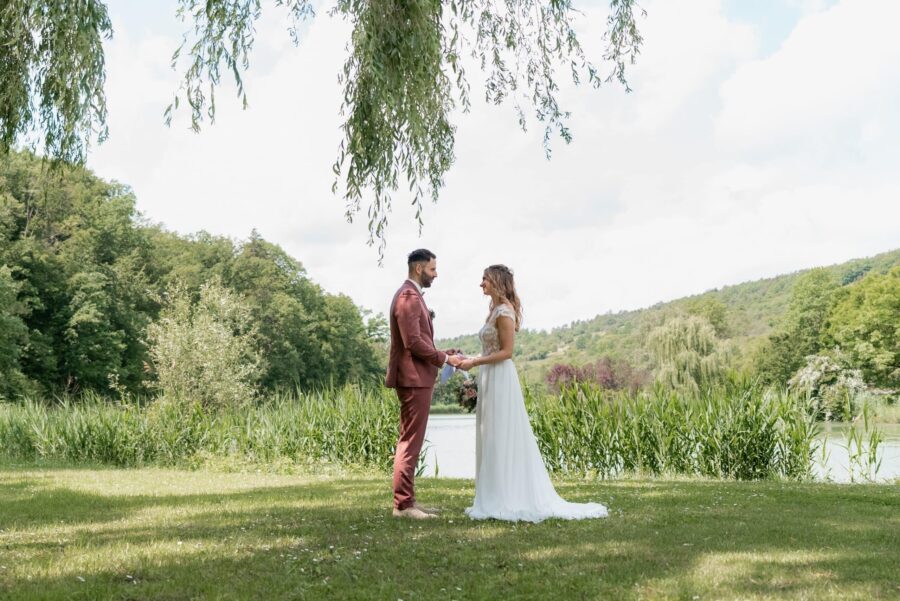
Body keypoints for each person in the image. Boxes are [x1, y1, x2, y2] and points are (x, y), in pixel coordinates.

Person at [458, 265, 609, 522]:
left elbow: (507, 352)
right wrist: (469, 360)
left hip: (500, 376)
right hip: (489, 375)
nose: (480, 283)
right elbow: (489, 349)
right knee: (490, 434)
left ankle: (506, 497)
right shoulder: (492, 310)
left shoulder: (504, 312)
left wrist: (474, 362)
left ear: (496, 281)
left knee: (500, 434)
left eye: (484, 279)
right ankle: (492, 494)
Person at [385, 249, 463, 519]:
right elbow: (413, 343)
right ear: (419, 269)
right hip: (413, 379)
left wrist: (445, 352)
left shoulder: (413, 295)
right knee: (410, 441)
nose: (436, 274)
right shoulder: (408, 297)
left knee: (413, 441)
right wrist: (443, 359)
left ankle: (409, 502)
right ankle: (403, 505)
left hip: (418, 377)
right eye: (432, 269)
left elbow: (420, 341)